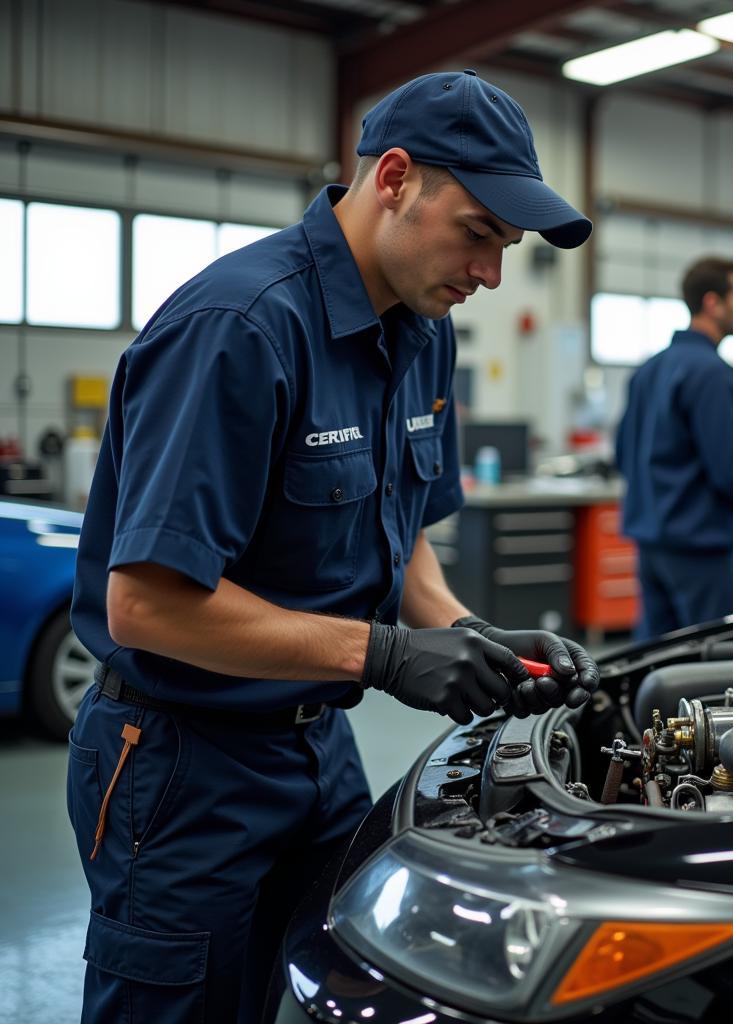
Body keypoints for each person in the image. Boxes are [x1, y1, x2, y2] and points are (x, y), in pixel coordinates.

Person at [67, 69, 599, 1024]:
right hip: (183, 766)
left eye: (506, 247)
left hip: (317, 751)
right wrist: (385, 653)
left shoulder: (422, 330)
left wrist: (482, 642)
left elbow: (406, 553)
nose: (490, 273)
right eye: (479, 232)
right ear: (394, 178)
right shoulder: (240, 328)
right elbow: (145, 603)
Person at [615, 257, 733, 638]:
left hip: (652, 546)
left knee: (655, 659)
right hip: (702, 550)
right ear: (713, 303)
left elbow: (622, 454)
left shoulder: (649, 370)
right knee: (714, 665)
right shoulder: (714, 375)